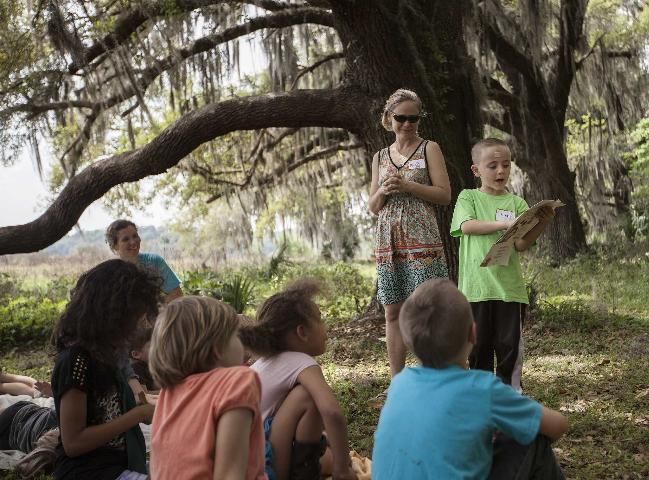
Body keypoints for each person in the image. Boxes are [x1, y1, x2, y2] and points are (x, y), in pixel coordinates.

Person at [372, 279, 568, 480]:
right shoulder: (482, 389)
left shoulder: (399, 385)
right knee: (533, 440)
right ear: (473, 333)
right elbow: (558, 426)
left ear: (406, 341)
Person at [450, 138, 556, 390]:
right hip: (476, 290)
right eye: (493, 166)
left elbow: (520, 245)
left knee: (509, 348)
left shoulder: (517, 204)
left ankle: (510, 397)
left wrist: (541, 222)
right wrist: (504, 225)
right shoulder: (469, 197)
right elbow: (466, 226)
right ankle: (482, 399)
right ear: (476, 170)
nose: (501, 171)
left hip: (510, 291)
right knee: (478, 348)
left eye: (506, 165)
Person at [51, 259, 160, 480]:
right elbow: (73, 443)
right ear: (112, 313)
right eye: (133, 316)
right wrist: (137, 415)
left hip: (117, 463)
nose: (137, 323)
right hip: (87, 471)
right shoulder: (77, 361)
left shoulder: (110, 354)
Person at [368, 88, 451, 377]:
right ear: (389, 119)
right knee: (392, 311)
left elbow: (444, 195)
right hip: (389, 241)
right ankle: (397, 382)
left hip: (422, 237)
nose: (407, 124)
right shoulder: (379, 156)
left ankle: (437, 376)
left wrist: (409, 186)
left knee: (428, 309)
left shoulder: (429, 148)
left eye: (413, 118)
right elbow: (373, 206)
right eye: (401, 118)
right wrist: (383, 190)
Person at [240, 279, 356, 480]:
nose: (325, 328)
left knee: (330, 454)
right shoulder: (301, 361)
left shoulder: (265, 361)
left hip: (245, 461)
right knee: (307, 396)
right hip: (262, 465)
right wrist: (342, 471)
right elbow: (331, 411)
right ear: (302, 332)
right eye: (320, 319)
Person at [148, 296, 266, 480]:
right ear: (217, 348)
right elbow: (230, 475)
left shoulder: (169, 393)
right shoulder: (237, 380)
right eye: (236, 334)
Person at [105, 219, 183, 303]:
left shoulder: (154, 261)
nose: (133, 242)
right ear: (115, 246)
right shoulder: (110, 272)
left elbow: (176, 295)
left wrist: (153, 309)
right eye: (126, 239)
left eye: (135, 236)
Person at [129, 327, 158, 392]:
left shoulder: (150, 365)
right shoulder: (137, 368)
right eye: (153, 346)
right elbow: (151, 389)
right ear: (136, 354)